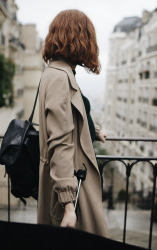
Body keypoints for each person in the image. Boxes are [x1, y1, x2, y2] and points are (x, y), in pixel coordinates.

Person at [37, 9, 109, 238]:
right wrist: (69, 204)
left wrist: (92, 130)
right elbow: (60, 141)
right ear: (79, 38)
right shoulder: (60, 77)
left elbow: (70, 114)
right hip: (71, 185)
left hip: (70, 181)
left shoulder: (58, 71)